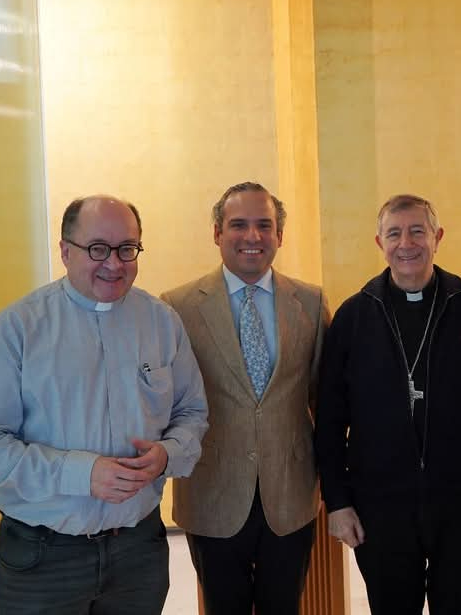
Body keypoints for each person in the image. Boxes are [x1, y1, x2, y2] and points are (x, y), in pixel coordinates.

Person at [0, 195, 209, 615]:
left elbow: (191, 413)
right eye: (97, 249)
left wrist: (168, 454)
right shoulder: (16, 329)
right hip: (43, 557)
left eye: (128, 249)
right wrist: (80, 472)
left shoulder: (162, 321)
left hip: (138, 551)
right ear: (65, 251)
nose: (114, 263)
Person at [315, 193, 461, 615]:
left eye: (417, 231)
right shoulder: (355, 316)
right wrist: (337, 501)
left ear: (437, 237)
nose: (406, 243)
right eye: (394, 233)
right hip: (381, 501)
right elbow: (329, 415)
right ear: (379, 243)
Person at [161, 182, 329, 615]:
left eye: (263, 226)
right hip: (212, 491)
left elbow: (323, 397)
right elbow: (168, 402)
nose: (252, 237)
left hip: (290, 493)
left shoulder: (310, 303)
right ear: (217, 232)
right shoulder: (177, 306)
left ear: (279, 236)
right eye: (238, 225)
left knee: (283, 606)